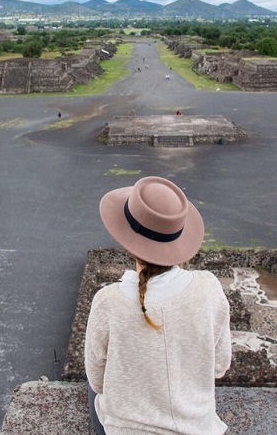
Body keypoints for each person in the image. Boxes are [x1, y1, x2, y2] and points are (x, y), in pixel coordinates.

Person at [86, 176, 232, 435]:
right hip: (198, 427)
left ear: (126, 239)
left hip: (128, 429)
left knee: (94, 385)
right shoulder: (209, 288)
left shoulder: (108, 301)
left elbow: (98, 381)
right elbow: (219, 367)